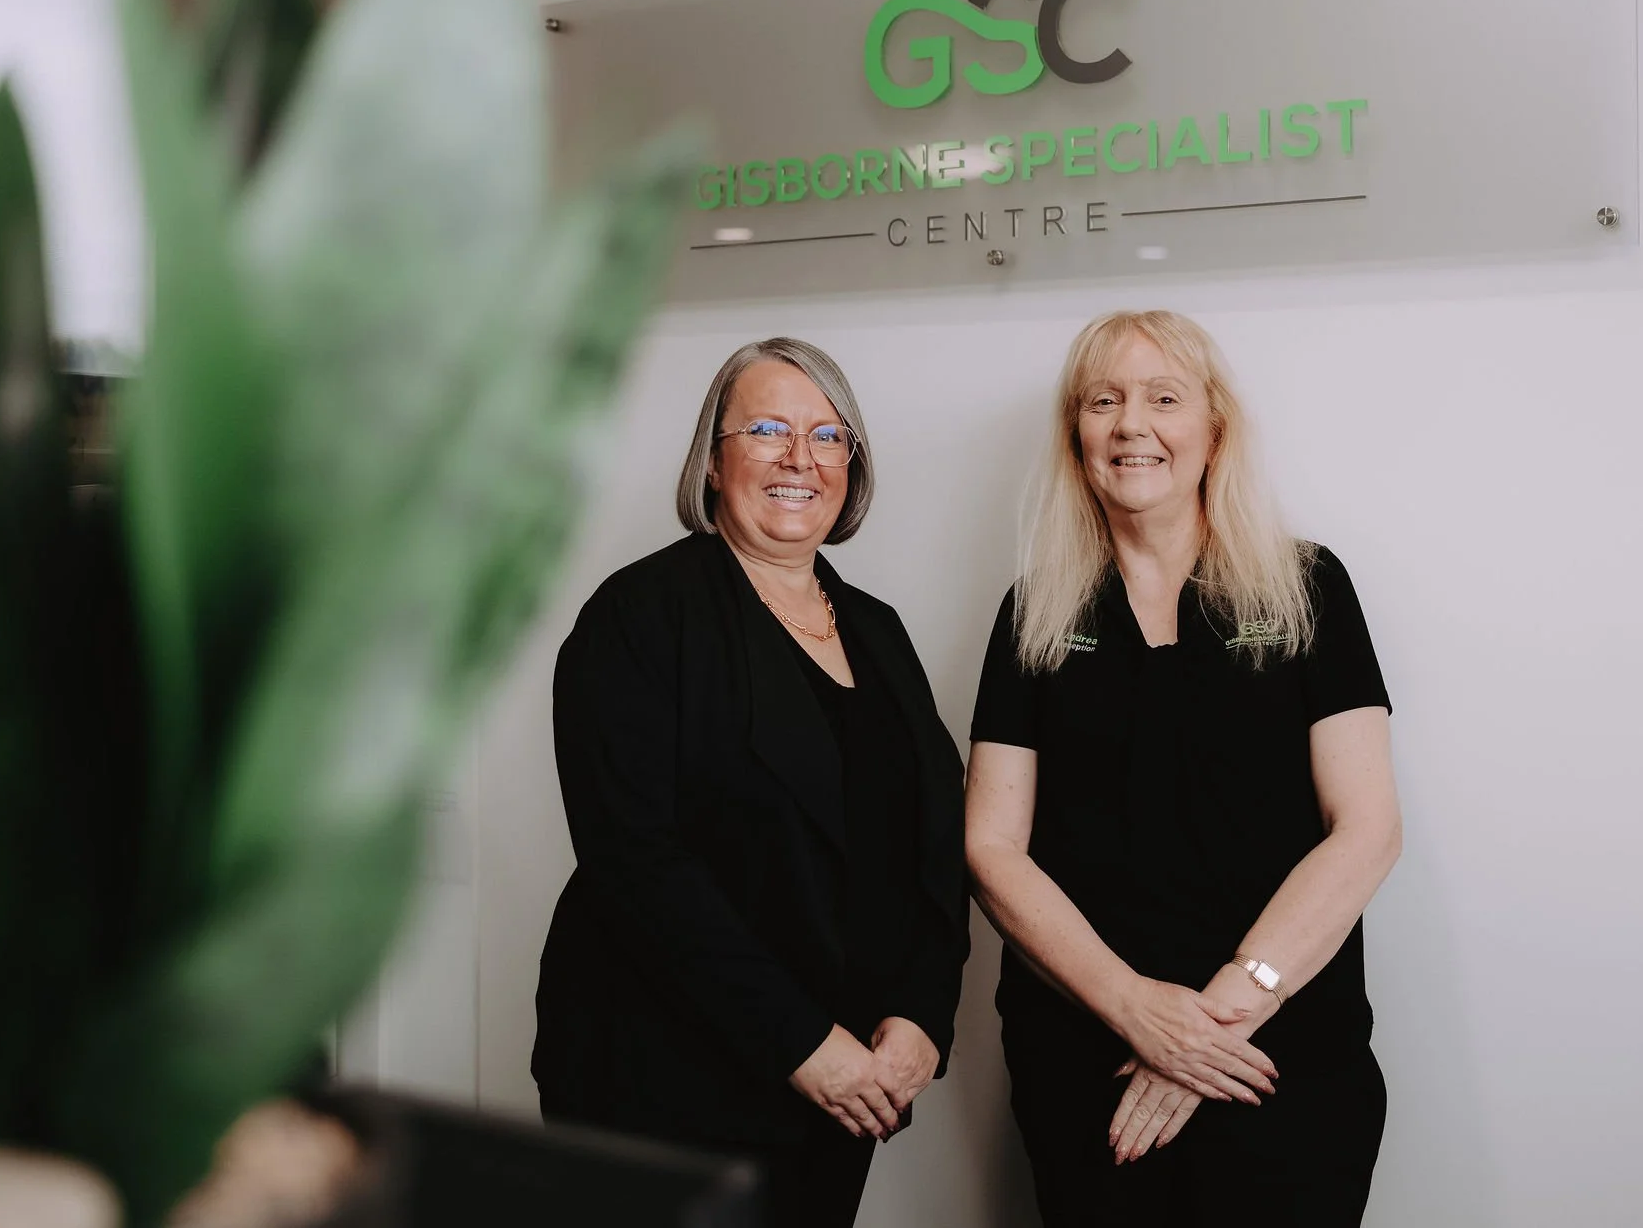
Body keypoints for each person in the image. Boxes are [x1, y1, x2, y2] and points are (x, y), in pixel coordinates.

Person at [965, 309, 1402, 1226]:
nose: (1132, 424)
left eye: (1165, 397)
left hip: (1278, 1057)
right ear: (1075, 432)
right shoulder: (1034, 614)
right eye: (1104, 399)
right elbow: (992, 846)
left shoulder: (1307, 586)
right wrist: (1135, 1011)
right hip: (1089, 1062)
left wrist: (1214, 1023)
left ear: (1215, 428)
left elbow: (1366, 829)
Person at [533, 338, 969, 1228]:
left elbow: (933, 841)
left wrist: (923, 1019)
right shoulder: (639, 616)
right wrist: (803, 1044)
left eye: (827, 435)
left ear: (853, 461)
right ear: (713, 456)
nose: (799, 459)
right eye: (768, 429)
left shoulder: (879, 632)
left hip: (844, 1090)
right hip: (665, 1082)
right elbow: (636, 863)